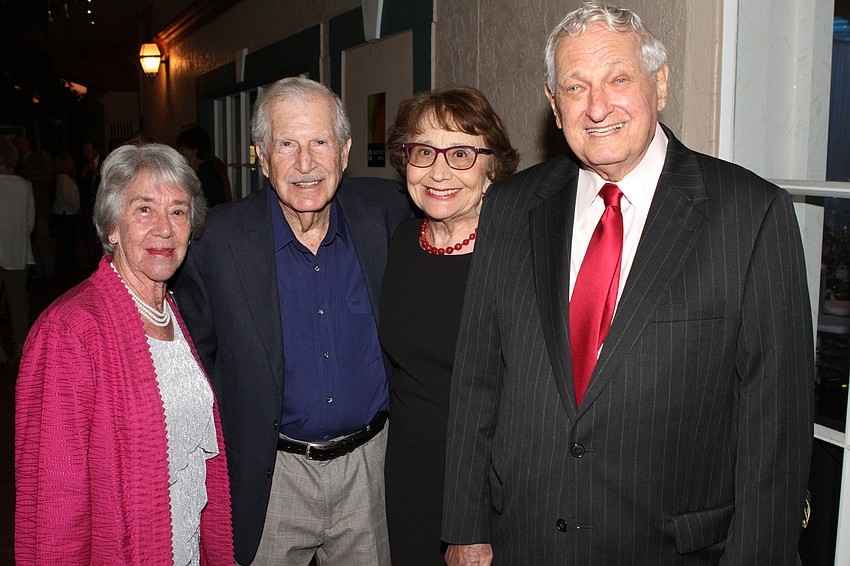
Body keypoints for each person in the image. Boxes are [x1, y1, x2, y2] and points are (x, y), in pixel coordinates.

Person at [442, 3, 814, 565]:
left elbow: (776, 436)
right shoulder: (513, 210)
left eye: (618, 78)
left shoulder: (751, 216)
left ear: (659, 83)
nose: (597, 107)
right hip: (525, 542)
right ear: (553, 103)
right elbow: (477, 379)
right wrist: (466, 528)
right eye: (575, 86)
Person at [173, 77, 413, 566]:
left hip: (370, 471)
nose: (305, 164)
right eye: (287, 144)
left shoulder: (390, 214)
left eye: (320, 142)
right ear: (262, 155)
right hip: (271, 475)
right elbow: (192, 364)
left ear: (344, 152)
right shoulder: (214, 243)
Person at [15, 143, 234, 564]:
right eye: (144, 209)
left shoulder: (170, 309)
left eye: (178, 211)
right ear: (111, 226)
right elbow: (53, 507)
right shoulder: (69, 332)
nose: (165, 229)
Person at [379, 86, 518, 565]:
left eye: (461, 153)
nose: (439, 171)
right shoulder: (400, 241)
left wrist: (476, 523)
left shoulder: (517, 259)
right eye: (423, 151)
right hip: (407, 480)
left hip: (487, 493)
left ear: (492, 167)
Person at [0, 139, 35, 364]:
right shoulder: (24, 185)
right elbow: (30, 223)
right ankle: (20, 345)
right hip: (16, 250)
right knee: (18, 299)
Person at [13, 134, 53, 278]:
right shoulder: (18, 162)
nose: (20, 147)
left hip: (39, 207)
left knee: (43, 241)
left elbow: (49, 179)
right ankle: (40, 272)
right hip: (26, 207)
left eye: (22, 144)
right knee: (34, 243)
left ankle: (49, 273)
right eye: (18, 145)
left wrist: (36, 176)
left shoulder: (37, 159)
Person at [176, 125, 232, 206]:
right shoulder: (208, 170)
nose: (180, 154)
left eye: (182, 149)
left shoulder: (206, 175)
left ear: (194, 151)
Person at [51, 153, 83, 274]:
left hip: (66, 213)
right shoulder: (63, 178)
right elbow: (66, 197)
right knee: (67, 242)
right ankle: (67, 267)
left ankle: (67, 266)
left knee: (66, 242)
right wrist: (77, 207)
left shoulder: (63, 177)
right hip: (66, 214)